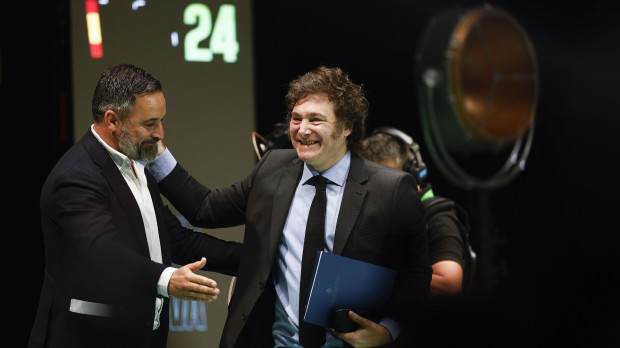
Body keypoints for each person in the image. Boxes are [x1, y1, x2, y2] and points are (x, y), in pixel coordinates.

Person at [148, 66, 431, 348]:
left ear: (347, 127)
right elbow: (204, 208)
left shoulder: (391, 189)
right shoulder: (273, 168)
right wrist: (153, 151)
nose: (302, 129)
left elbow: (416, 275)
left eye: (316, 120)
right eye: (296, 118)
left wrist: (388, 331)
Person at [28, 64, 242, 348]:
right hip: (89, 338)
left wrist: (252, 260)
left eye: (161, 121)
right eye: (150, 123)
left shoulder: (136, 163)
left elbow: (175, 238)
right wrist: (168, 279)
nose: (160, 133)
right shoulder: (75, 178)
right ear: (113, 120)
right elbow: (103, 256)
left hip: (143, 336)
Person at [359, 127, 470, 295]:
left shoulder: (437, 218)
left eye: (388, 181)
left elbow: (449, 284)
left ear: (413, 176)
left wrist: (378, 276)